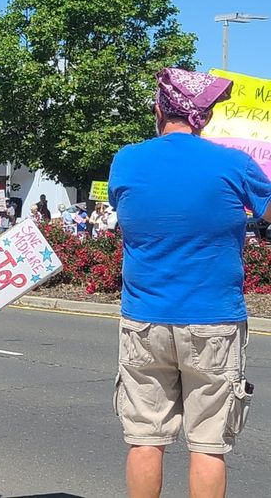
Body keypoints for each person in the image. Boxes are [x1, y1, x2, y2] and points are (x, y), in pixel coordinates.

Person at [109, 67, 271, 498]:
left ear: (160, 109)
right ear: (207, 117)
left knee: (145, 439)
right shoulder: (234, 163)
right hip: (214, 320)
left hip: (144, 319)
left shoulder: (127, 159)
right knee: (208, 445)